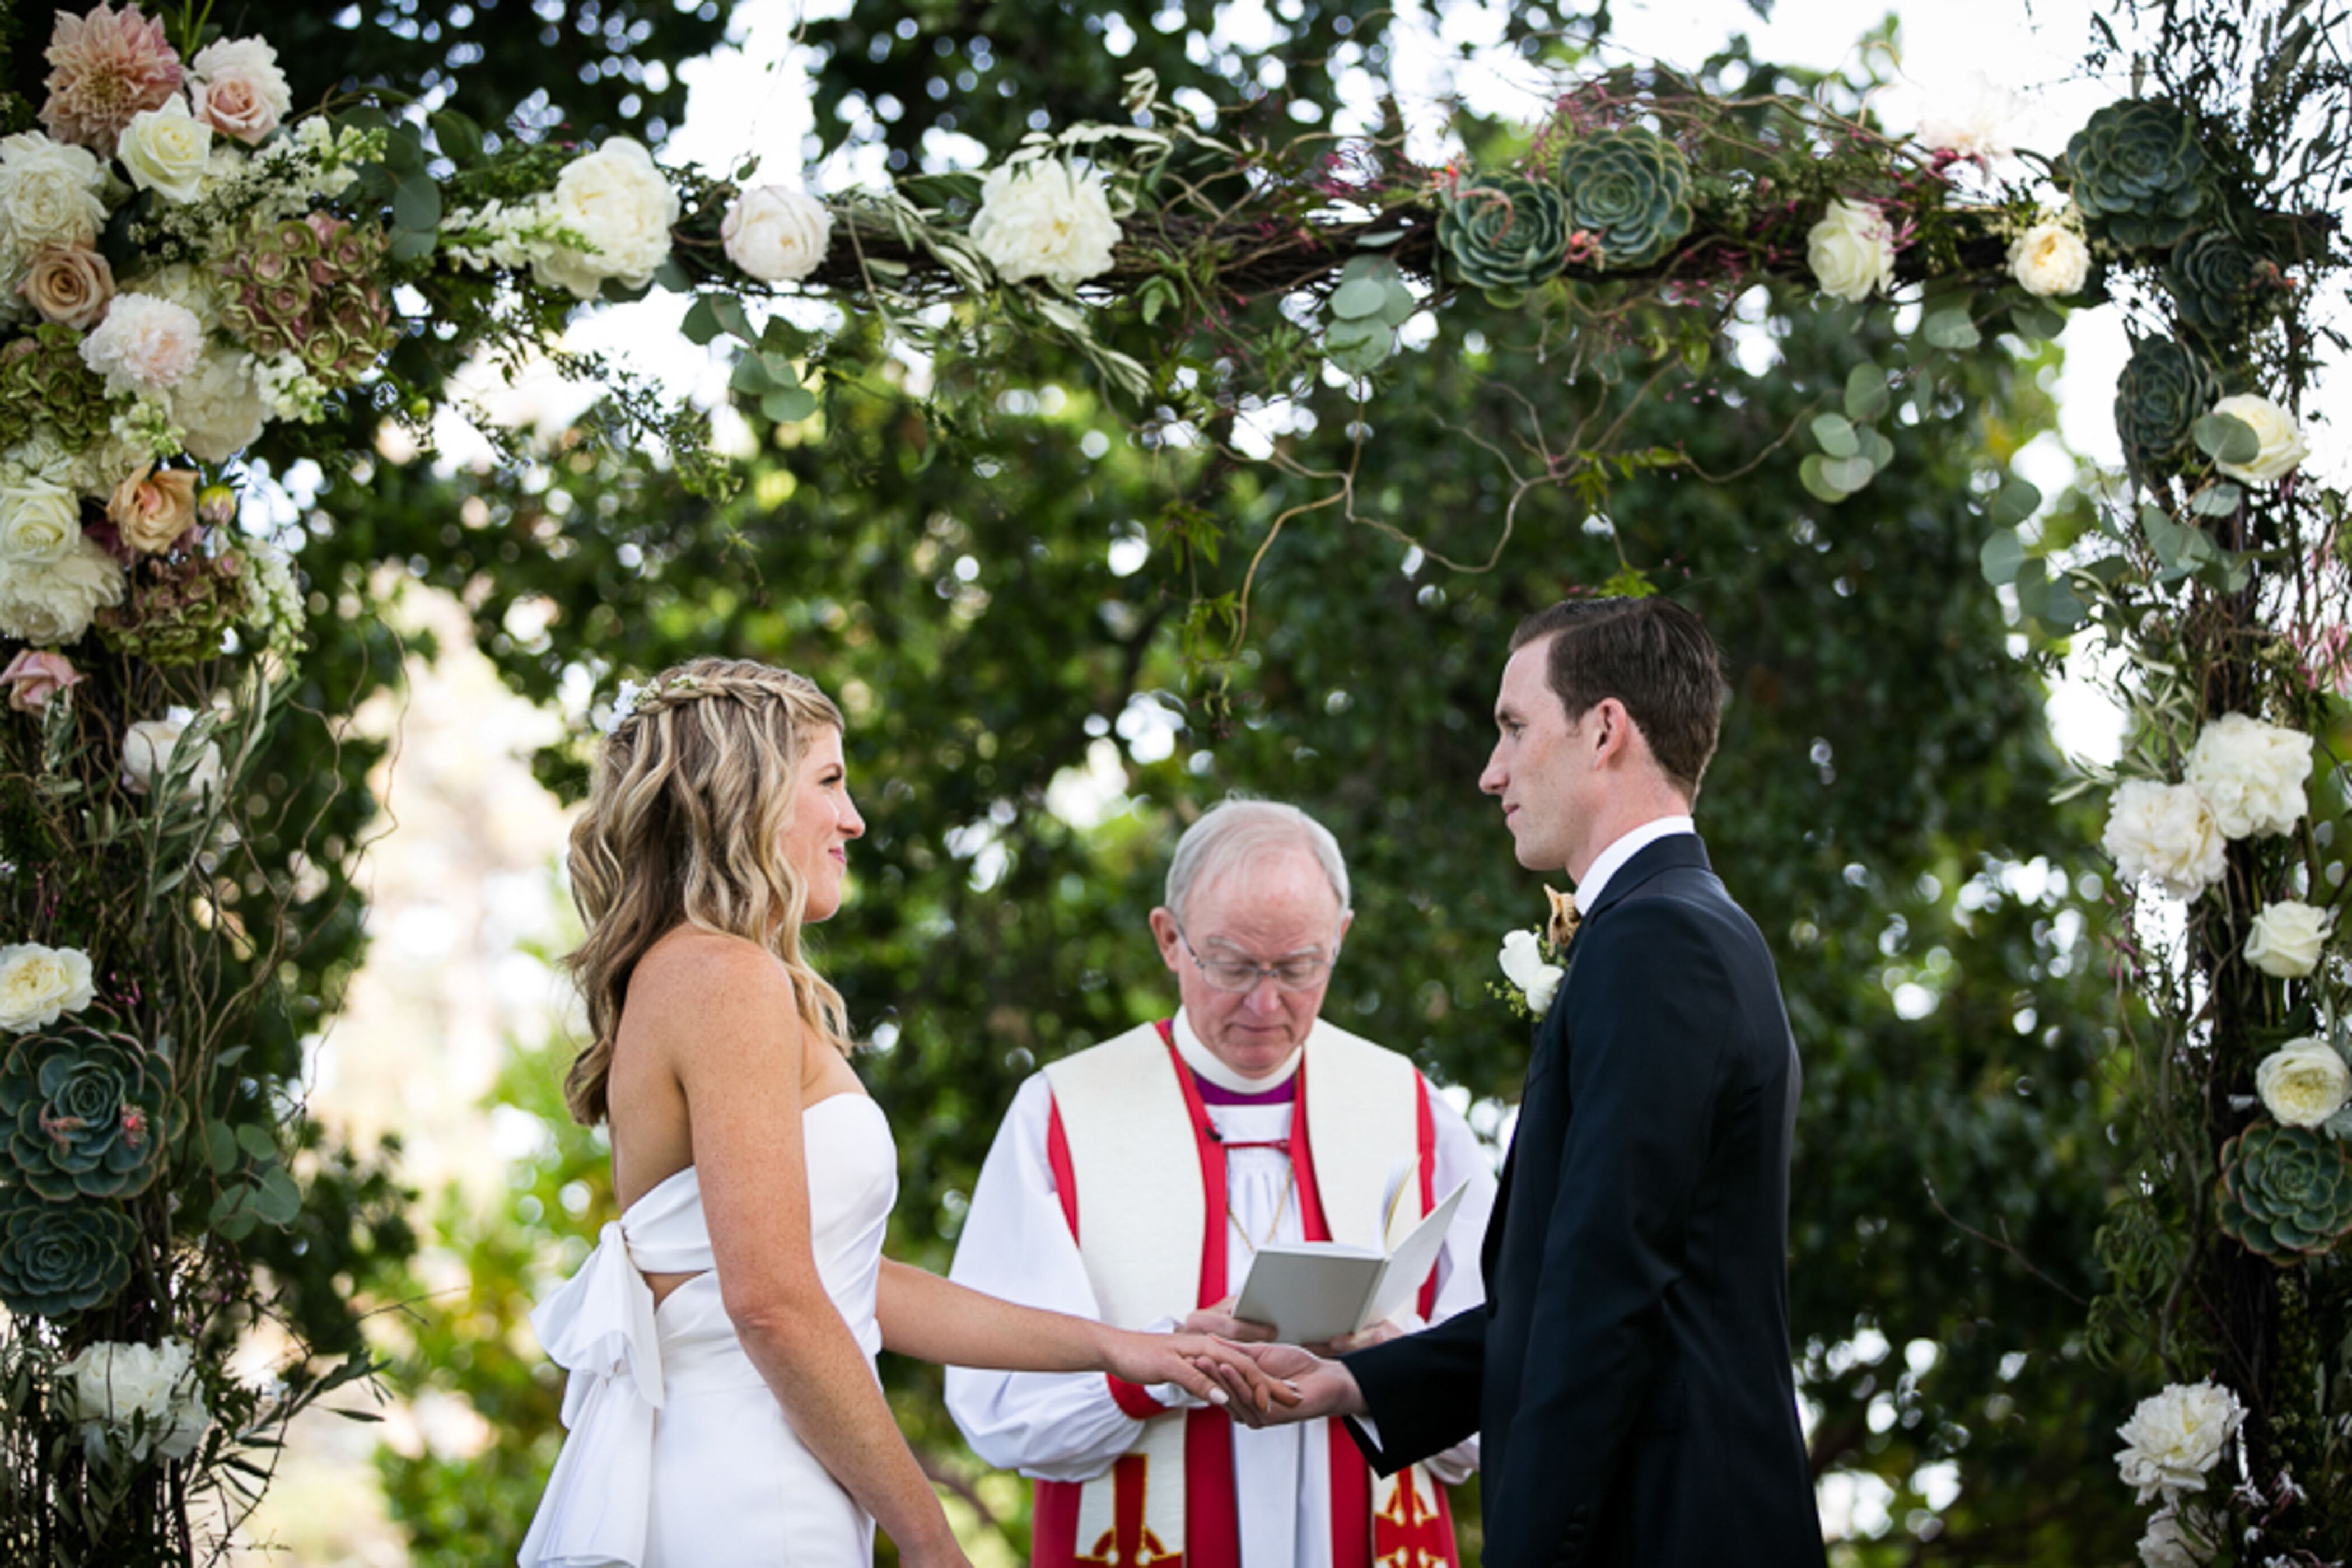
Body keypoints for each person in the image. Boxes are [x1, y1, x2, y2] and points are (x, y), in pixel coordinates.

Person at [517, 659, 1290, 1568]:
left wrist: (1123, 1348)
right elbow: (772, 1303)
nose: (854, 820)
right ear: (749, 793)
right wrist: (926, 1536)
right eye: (831, 782)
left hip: (772, 1473)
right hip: (747, 1486)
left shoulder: (712, 977)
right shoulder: (724, 977)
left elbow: (844, 1279)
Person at [1217, 600, 1827, 1568]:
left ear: (1605, 731)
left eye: (1512, 728)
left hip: (1664, 1528)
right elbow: (1571, 1293)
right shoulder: (1675, 927)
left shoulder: (1658, 941)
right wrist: (1360, 1381)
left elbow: (1606, 1299)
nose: (1489, 772)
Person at [945, 800, 1497, 1568]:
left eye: (1300, 967)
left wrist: (1388, 1362)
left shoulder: (1408, 1108)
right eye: (1233, 965)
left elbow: (1506, 1381)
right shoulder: (1063, 1112)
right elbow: (998, 1403)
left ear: (1339, 940)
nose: (1265, 1004)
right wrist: (1158, 1372)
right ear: (1170, 940)